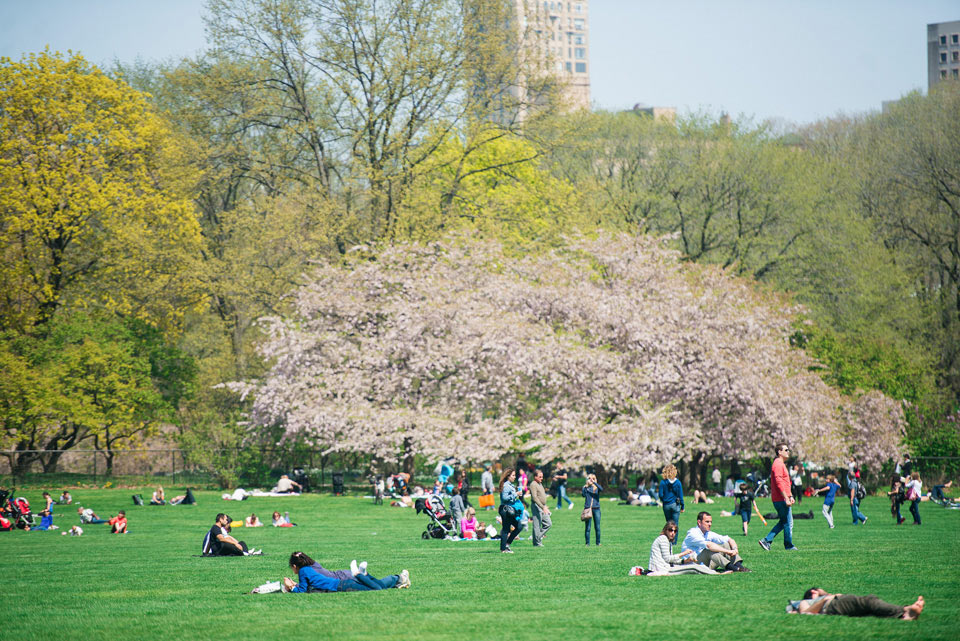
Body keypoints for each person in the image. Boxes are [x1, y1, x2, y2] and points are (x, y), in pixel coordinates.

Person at [283, 552, 409, 592]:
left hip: (343, 581)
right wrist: (296, 584)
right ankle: (399, 578)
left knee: (377, 588)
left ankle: (360, 574)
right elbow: (314, 583)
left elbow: (304, 590)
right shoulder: (312, 566)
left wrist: (292, 587)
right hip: (342, 578)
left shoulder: (303, 572)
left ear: (295, 566)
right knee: (378, 586)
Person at [786, 588, 923, 620]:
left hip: (837, 604)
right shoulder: (804, 602)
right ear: (811, 593)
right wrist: (824, 599)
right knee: (869, 601)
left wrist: (825, 594)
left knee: (869, 608)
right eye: (815, 591)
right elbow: (806, 613)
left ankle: (902, 615)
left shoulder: (826, 596)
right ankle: (905, 610)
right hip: (831, 605)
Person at [681, 511, 750, 572]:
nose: (710, 524)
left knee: (725, 544)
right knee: (708, 550)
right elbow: (709, 545)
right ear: (699, 522)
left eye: (711, 522)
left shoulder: (708, 533)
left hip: (706, 564)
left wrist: (735, 549)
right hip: (693, 564)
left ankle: (740, 567)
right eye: (707, 522)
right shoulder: (693, 533)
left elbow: (729, 539)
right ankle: (734, 569)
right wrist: (728, 551)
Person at [759, 444, 797, 551]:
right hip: (780, 499)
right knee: (788, 523)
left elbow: (785, 483)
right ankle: (788, 546)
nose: (788, 452)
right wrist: (786, 497)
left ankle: (766, 540)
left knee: (784, 521)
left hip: (783, 498)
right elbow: (779, 482)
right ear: (779, 452)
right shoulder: (778, 464)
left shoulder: (780, 464)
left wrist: (790, 496)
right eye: (786, 450)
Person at [648, 521, 717, 575]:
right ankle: (717, 574)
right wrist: (684, 553)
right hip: (662, 569)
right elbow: (668, 559)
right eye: (670, 530)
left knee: (693, 564)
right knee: (693, 567)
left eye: (675, 531)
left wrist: (684, 561)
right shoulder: (663, 539)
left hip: (666, 567)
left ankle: (713, 572)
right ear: (665, 530)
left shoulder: (667, 540)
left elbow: (670, 560)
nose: (673, 533)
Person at [498, 468, 524, 553]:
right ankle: (504, 548)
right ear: (508, 476)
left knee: (518, 526)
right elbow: (504, 498)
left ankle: (506, 545)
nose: (514, 477)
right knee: (506, 529)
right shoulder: (506, 485)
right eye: (513, 475)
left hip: (509, 509)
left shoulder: (510, 485)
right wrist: (515, 494)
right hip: (506, 509)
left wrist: (517, 495)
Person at [528, 469, 552, 547]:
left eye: (542, 477)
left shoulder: (540, 484)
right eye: (540, 477)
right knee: (537, 525)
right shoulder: (533, 484)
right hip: (536, 506)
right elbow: (534, 498)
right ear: (535, 477)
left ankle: (536, 537)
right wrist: (542, 507)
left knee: (548, 523)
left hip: (542, 507)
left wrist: (545, 506)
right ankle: (537, 542)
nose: (542, 478)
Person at [582, 473, 602, 546]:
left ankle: (598, 542)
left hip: (596, 509)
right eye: (590, 478)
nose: (591, 480)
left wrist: (594, 483)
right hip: (588, 509)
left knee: (597, 527)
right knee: (588, 527)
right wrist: (586, 487)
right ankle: (587, 543)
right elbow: (583, 495)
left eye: (593, 478)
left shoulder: (597, 488)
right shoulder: (586, 488)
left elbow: (601, 489)